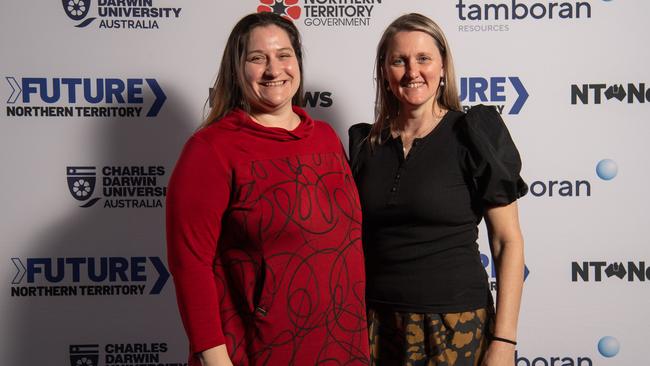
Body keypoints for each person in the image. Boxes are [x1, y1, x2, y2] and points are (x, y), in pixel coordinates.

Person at [167, 12, 369, 366]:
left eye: (284, 55)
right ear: (237, 69)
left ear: (298, 63)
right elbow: (191, 264)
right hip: (259, 351)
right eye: (257, 58)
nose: (274, 70)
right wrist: (214, 359)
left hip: (341, 347)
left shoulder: (324, 137)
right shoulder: (211, 149)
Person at [348, 13, 527, 366]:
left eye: (424, 59)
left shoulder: (472, 133)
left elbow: (508, 241)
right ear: (384, 72)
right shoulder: (365, 144)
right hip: (377, 325)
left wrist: (504, 340)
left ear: (442, 66)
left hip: (454, 323)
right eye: (399, 60)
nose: (412, 71)